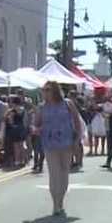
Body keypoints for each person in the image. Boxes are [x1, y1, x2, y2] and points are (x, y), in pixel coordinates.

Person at [35, 82, 83, 216]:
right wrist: (36, 129)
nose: (45, 92)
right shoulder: (42, 107)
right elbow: (36, 124)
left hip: (67, 143)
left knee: (64, 173)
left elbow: (77, 120)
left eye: (47, 89)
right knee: (54, 174)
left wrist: (77, 138)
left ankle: (60, 201)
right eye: (43, 90)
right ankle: (55, 205)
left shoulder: (67, 103)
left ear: (55, 90)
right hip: (49, 144)